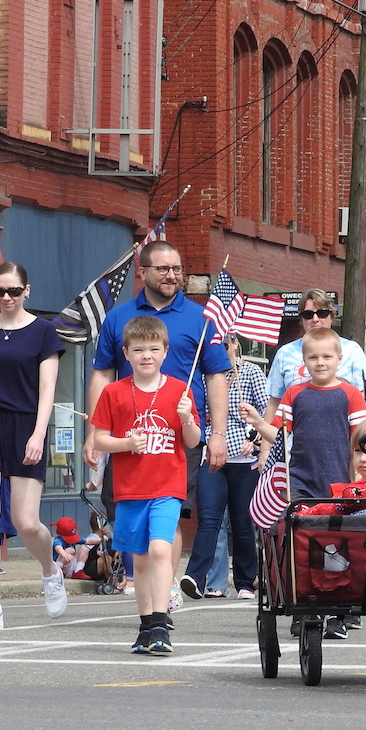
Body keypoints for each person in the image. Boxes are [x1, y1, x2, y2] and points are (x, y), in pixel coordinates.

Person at [83, 241, 230, 615]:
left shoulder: (200, 319)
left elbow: (216, 377)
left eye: (177, 269)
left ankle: (166, 589)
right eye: (163, 269)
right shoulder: (119, 318)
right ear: (143, 272)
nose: (172, 276)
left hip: (180, 431)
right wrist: (94, 436)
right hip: (129, 434)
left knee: (171, 512)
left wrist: (216, 433)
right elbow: (102, 373)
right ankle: (146, 587)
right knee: (128, 513)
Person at [242, 327, 366, 640]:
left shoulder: (350, 395)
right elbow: (279, 438)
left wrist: (358, 478)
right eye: (313, 357)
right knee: (298, 543)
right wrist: (260, 424)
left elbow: (361, 441)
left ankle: (341, 613)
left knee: (343, 546)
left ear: (339, 359)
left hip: (339, 483)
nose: (321, 362)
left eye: (327, 356)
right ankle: (304, 608)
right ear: (304, 361)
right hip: (299, 480)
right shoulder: (294, 394)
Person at [0, 262, 67, 630]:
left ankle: (51, 571)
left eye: (13, 291)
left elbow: (48, 390)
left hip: (26, 424)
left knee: (26, 522)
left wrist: (39, 434)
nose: (6, 298)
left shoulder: (43, 332)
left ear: (27, 291)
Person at [92, 315, 201, 655]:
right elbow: (99, 439)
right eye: (139, 350)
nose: (146, 356)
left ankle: (159, 622)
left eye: (154, 349)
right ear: (126, 353)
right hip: (129, 490)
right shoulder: (114, 392)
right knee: (138, 560)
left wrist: (186, 418)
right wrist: (126, 444)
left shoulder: (179, 391)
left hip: (167, 486)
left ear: (165, 352)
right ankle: (146, 627)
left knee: (159, 550)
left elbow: (194, 441)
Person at [180, 334, 268, 603]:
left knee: (243, 523)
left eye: (225, 344)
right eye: (215, 346)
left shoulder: (251, 372)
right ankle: (195, 576)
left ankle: (245, 581)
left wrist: (253, 439)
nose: (221, 349)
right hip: (212, 454)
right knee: (209, 518)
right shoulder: (204, 376)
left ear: (234, 344)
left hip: (244, 459)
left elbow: (268, 414)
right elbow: (195, 413)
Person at [265, 288, 366, 420]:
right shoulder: (284, 353)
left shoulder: (352, 350)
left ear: (331, 316)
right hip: (296, 436)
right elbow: (274, 403)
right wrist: (265, 439)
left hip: (341, 434)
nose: (315, 319)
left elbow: (362, 399)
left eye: (322, 313)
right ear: (301, 319)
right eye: (308, 314)